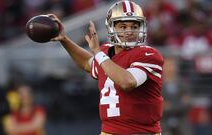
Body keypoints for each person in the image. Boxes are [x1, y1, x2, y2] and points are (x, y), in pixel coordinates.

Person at [50, 0, 164, 134]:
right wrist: (65, 40)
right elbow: (88, 63)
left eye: (134, 26)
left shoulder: (148, 54)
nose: (130, 31)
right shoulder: (105, 53)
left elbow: (128, 82)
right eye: (123, 26)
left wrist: (98, 53)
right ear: (112, 28)